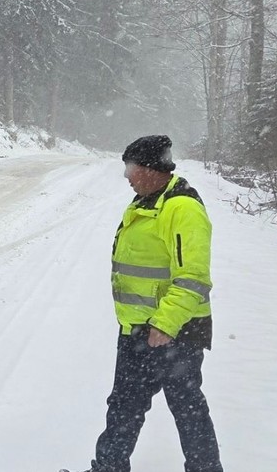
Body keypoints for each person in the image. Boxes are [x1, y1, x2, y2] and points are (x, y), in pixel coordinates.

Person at [85, 134, 223, 472]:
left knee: (186, 407)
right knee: (123, 405)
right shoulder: (146, 202)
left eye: (131, 168)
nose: (127, 176)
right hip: (138, 329)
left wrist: (165, 324)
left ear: (150, 168)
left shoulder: (182, 208)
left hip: (175, 332)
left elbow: (193, 278)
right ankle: (109, 468)